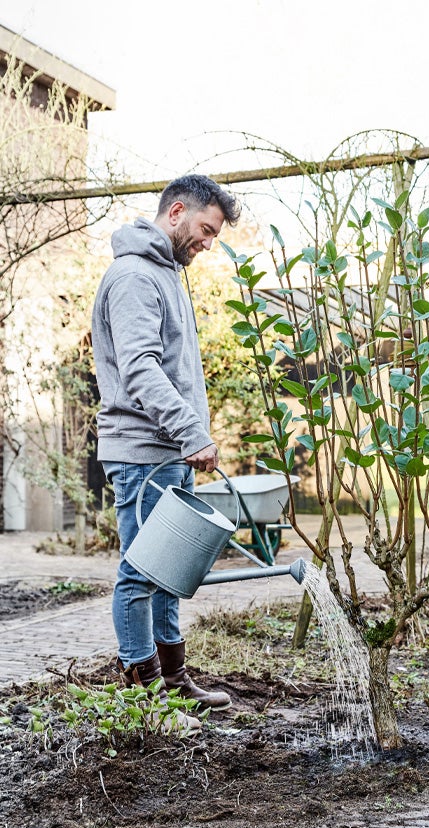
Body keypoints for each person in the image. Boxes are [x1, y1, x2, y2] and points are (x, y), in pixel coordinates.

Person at [92, 174, 241, 729]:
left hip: (168, 450)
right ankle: (145, 689)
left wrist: (187, 437)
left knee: (170, 567)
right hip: (141, 453)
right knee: (140, 570)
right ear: (176, 211)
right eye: (205, 230)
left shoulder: (167, 274)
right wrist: (190, 433)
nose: (208, 243)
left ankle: (174, 678)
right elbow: (140, 370)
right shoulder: (134, 276)